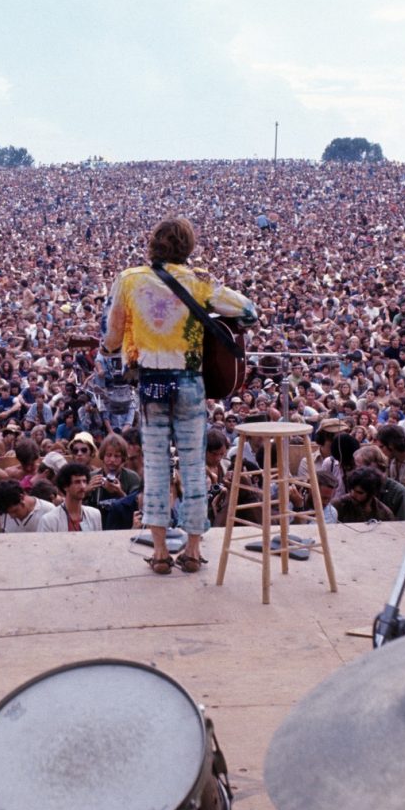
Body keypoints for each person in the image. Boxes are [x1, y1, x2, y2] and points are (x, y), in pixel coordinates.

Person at [104, 217, 256, 574]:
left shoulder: (129, 280)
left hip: (152, 383)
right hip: (190, 381)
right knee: (192, 467)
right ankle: (191, 550)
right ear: (188, 246)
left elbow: (110, 337)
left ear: (153, 243)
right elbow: (248, 312)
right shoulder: (199, 280)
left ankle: (159, 553)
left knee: (155, 467)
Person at [36, 463, 104, 533]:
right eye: (77, 482)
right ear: (65, 486)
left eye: (84, 481)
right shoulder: (49, 520)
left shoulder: (95, 514)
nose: (83, 486)